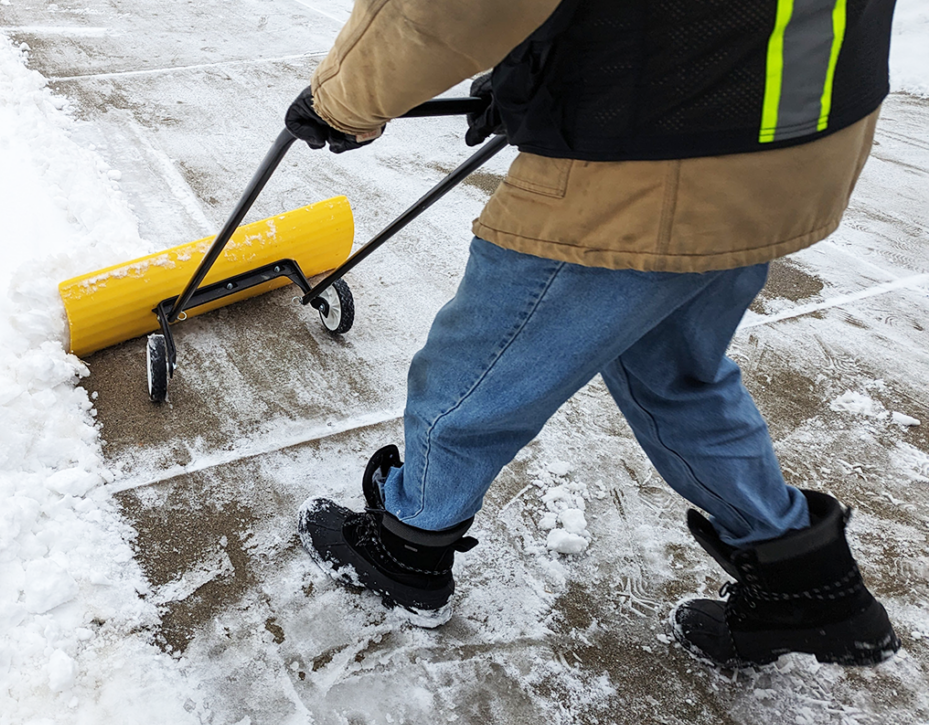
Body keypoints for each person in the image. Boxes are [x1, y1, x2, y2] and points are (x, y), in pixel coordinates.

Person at [286, 0, 901, 669]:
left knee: (475, 370)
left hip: (646, 155)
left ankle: (407, 546)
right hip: (795, 146)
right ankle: (807, 586)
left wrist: (344, 98)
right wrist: (543, 64)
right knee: (674, 375)